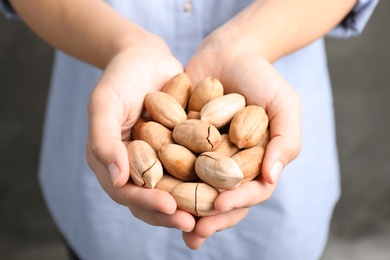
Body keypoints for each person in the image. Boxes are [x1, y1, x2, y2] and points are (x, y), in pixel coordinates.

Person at [1, 0, 378, 259]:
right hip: (104, 206)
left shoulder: (223, 132)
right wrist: (123, 46)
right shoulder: (169, 135)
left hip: (280, 218)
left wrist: (249, 42)